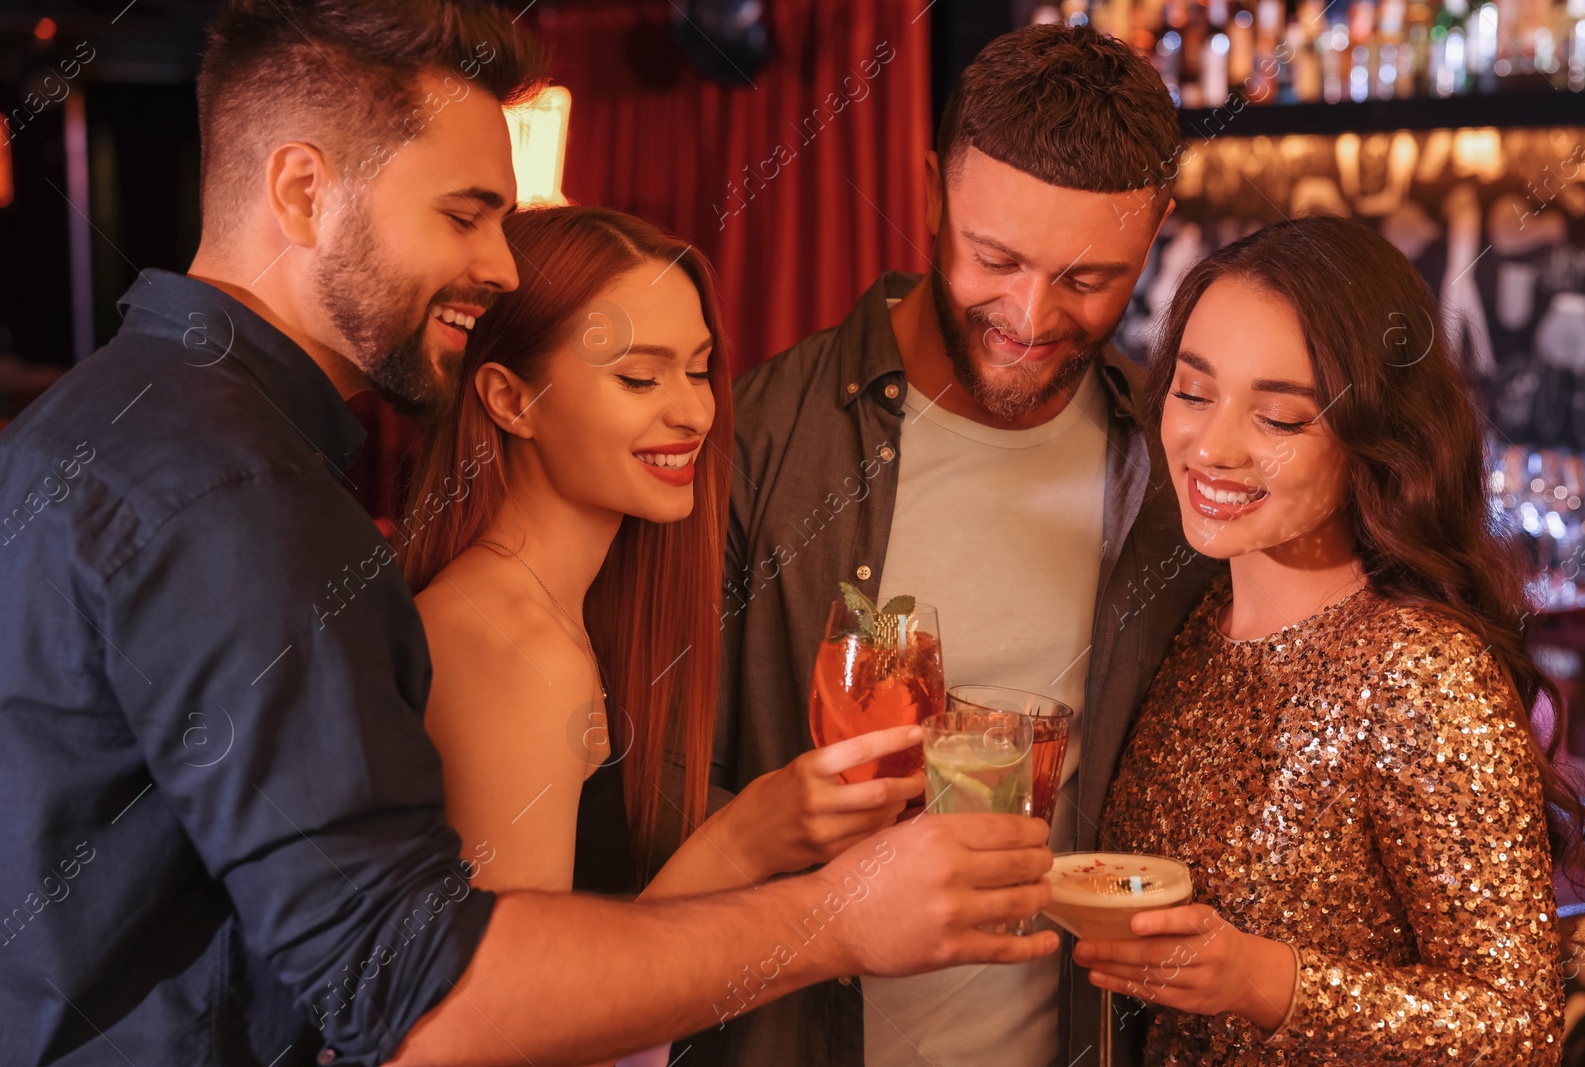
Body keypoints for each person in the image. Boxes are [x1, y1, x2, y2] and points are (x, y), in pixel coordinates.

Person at [0, 4, 1061, 1065]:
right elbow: (411, 991)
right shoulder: (236, 495)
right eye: (464, 216)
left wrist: (755, 840)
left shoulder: (110, 425)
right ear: (301, 192)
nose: (502, 266)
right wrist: (837, 919)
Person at [700, 22, 1221, 1067]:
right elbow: (660, 789)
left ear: (1161, 225)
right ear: (930, 185)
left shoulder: (1173, 475)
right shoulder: (758, 436)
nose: (1030, 316)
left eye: (1088, 278)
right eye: (995, 258)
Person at [1087, 214, 1585, 1063]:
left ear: (1372, 442)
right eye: (1193, 390)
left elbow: (1517, 1027)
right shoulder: (1193, 621)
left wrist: (1265, 981)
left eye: (1280, 419)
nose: (1212, 446)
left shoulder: (1422, 673)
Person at [403, 204, 928, 924]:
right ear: (511, 399)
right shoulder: (516, 651)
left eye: (699, 369)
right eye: (640, 379)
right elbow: (524, 1027)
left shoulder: (569, 611)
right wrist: (740, 843)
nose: (696, 413)